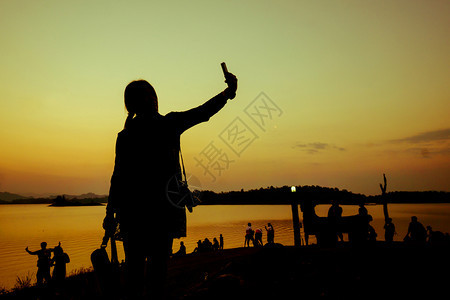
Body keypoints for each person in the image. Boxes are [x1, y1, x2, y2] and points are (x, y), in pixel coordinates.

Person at [103, 71, 238, 298]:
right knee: (157, 275)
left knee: (134, 274)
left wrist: (110, 213)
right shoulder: (168, 124)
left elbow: (118, 179)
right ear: (149, 100)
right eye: (151, 96)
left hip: (133, 214)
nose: (155, 99)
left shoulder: (126, 135)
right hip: (163, 212)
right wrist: (227, 94)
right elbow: (202, 113)